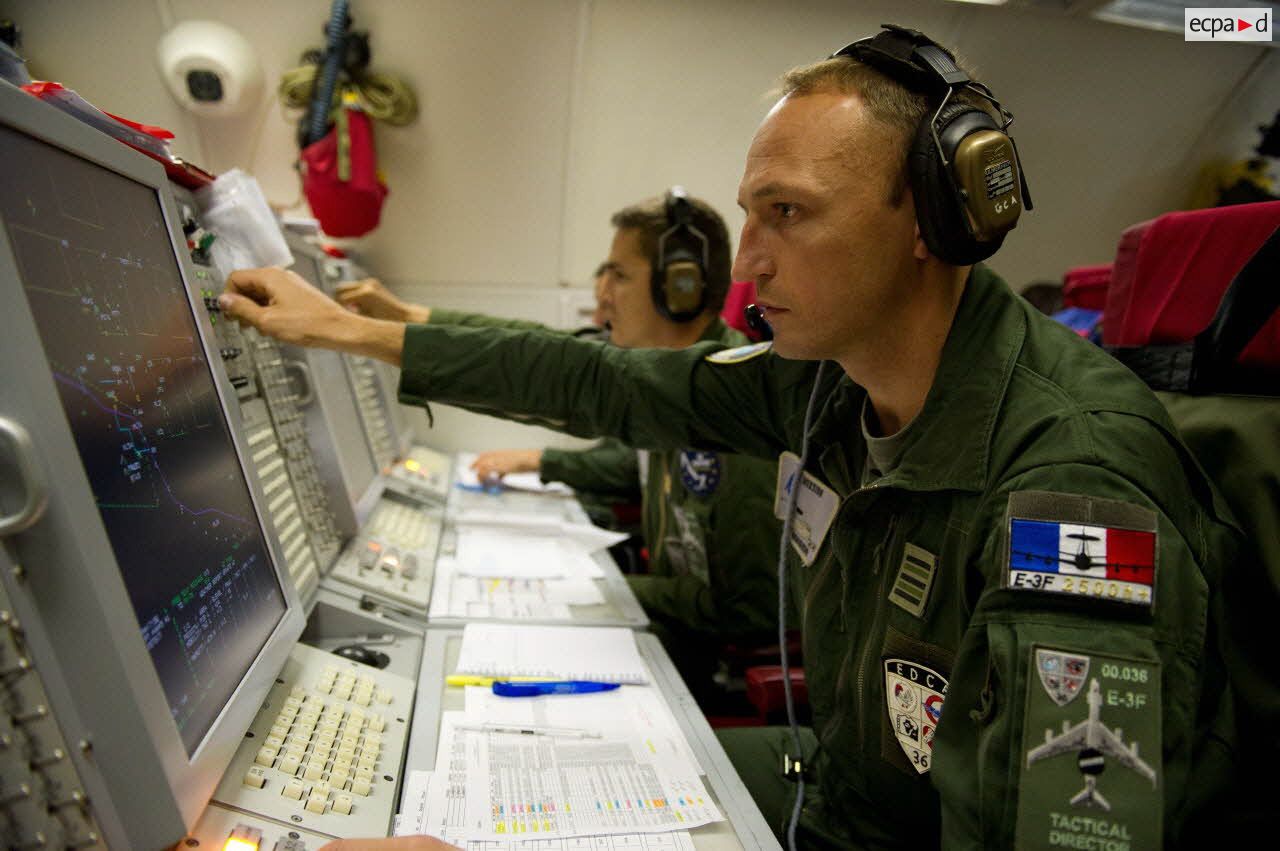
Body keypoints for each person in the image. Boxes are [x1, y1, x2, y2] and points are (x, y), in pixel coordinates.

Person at [220, 25, 1247, 848]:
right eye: (748, 214)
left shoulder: (1071, 486)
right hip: (842, 786)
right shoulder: (825, 384)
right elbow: (603, 378)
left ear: (937, 217)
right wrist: (365, 331)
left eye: (788, 213)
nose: (746, 261)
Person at [334, 196, 784, 703]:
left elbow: (747, 608)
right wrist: (412, 317)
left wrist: (600, 587)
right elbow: (543, 348)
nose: (601, 293)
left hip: (702, 663)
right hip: (669, 630)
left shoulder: (730, 414)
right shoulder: (675, 377)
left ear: (681, 289)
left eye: (618, 275)